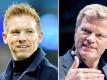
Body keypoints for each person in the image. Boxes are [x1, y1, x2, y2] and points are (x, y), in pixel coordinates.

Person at [0, 3, 58, 80]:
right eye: (16, 32)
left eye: (29, 32)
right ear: (5, 38)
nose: (22, 38)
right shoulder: (2, 77)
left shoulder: (54, 75)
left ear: (40, 37)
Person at [59, 4, 107, 80]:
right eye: (86, 31)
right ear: (76, 32)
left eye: (99, 35)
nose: (90, 38)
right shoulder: (54, 68)